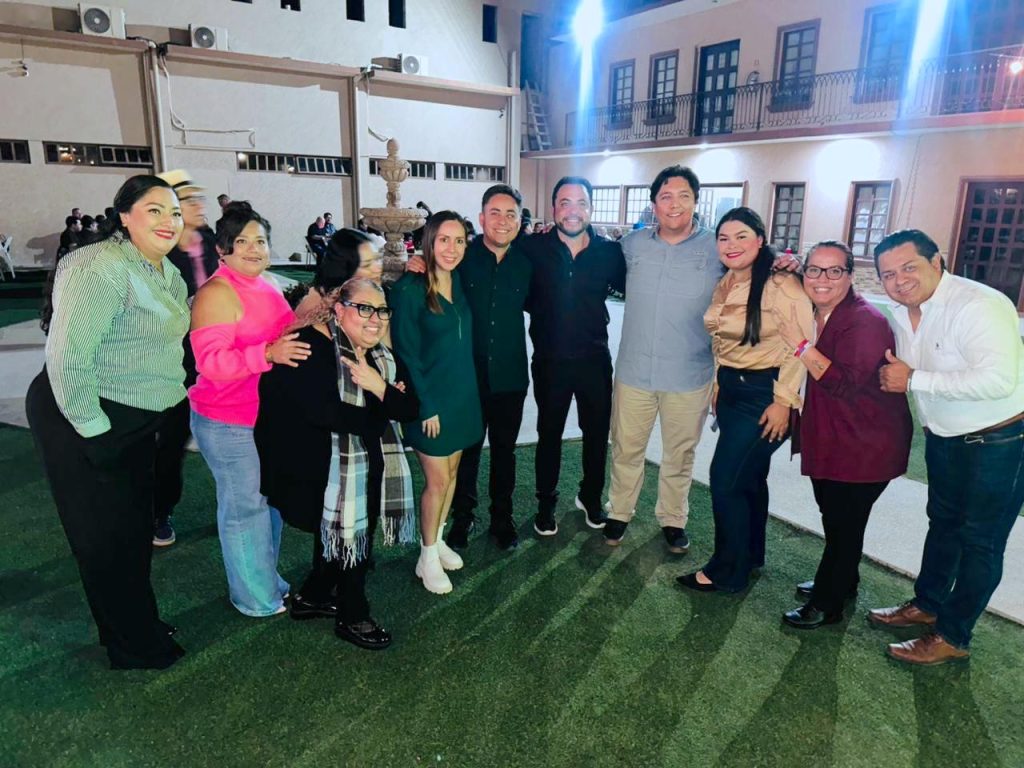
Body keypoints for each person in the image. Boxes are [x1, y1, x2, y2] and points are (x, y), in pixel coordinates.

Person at [25, 175, 189, 669]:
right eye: (154, 210)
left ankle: (136, 622)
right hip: (84, 412)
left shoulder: (165, 270)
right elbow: (68, 355)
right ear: (124, 217)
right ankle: (132, 644)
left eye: (175, 212)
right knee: (106, 539)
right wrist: (94, 433)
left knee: (131, 533)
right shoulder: (101, 266)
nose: (169, 221)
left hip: (131, 418)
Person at [867, 229, 1024, 665]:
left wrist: (914, 380)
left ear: (937, 262)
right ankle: (928, 604)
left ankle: (953, 635)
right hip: (944, 437)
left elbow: (998, 380)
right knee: (943, 525)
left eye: (909, 268)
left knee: (981, 541)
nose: (899, 281)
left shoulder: (979, 305)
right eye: (888, 274)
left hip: (999, 441)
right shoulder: (903, 313)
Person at [256, 278, 418, 649]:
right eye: (365, 308)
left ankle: (313, 597)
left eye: (382, 311)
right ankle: (352, 614)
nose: (375, 319)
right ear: (339, 310)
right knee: (351, 534)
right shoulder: (307, 346)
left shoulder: (380, 357)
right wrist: (384, 406)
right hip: (308, 464)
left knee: (341, 529)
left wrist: (378, 386)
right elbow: (326, 413)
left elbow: (411, 408)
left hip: (357, 462)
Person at [772, 241, 912, 629]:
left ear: (850, 276)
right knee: (837, 519)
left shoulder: (865, 321)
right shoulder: (817, 312)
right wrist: (778, 265)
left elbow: (844, 383)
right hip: (835, 439)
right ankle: (843, 581)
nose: (823, 279)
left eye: (835, 271)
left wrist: (800, 345)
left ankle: (827, 602)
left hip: (866, 445)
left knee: (843, 525)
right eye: (814, 269)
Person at [677, 207, 813, 593]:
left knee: (725, 480)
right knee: (749, 477)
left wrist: (784, 401)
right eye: (723, 238)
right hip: (733, 389)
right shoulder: (728, 281)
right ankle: (750, 556)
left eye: (741, 236)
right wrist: (719, 384)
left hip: (765, 394)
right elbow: (723, 338)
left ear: (760, 240)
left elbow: (800, 346)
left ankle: (726, 571)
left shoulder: (782, 283)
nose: (731, 245)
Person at [189, 202, 310, 617]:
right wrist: (268, 354)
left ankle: (265, 582)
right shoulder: (217, 293)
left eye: (260, 241)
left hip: (264, 419)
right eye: (242, 242)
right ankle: (254, 598)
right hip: (227, 421)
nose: (254, 249)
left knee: (267, 504)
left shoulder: (265, 284)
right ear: (222, 249)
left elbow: (285, 332)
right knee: (245, 511)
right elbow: (211, 362)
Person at [409, 185, 533, 552]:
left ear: (520, 221)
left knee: (505, 452)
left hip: (510, 375)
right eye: (495, 213)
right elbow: (433, 277)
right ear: (481, 218)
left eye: (511, 214)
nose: (503, 221)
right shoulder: (462, 257)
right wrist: (416, 263)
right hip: (467, 378)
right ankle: (462, 517)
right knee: (467, 451)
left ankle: (502, 518)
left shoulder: (528, 263)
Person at [604, 166, 719, 554]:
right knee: (625, 448)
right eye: (666, 197)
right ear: (654, 204)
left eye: (684, 196)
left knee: (679, 455)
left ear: (695, 201)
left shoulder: (715, 247)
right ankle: (620, 511)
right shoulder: (633, 245)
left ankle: (673, 518)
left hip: (689, 374)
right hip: (634, 371)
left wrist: (786, 263)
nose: (675, 204)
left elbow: (754, 264)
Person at [522, 176, 626, 535]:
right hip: (549, 361)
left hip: (595, 359)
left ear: (591, 209)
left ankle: (590, 497)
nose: (573, 211)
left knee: (596, 433)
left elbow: (642, 280)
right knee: (548, 432)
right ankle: (546, 502)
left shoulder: (609, 252)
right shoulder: (533, 248)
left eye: (581, 203)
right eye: (565, 202)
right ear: (554, 208)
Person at [390, 212, 483, 594]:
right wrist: (425, 405)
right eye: (443, 239)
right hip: (429, 401)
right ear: (429, 241)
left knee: (454, 474)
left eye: (459, 240)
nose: (452, 248)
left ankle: (438, 539)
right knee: (438, 480)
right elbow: (406, 354)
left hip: (462, 394)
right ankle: (426, 556)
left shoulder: (458, 278)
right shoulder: (410, 289)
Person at [151, 168, 221, 547]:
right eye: (189, 199)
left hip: (216, 354)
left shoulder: (208, 240)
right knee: (172, 439)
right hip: (176, 361)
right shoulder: (159, 252)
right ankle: (159, 512)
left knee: (229, 432)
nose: (199, 204)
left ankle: (238, 503)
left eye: (198, 197)